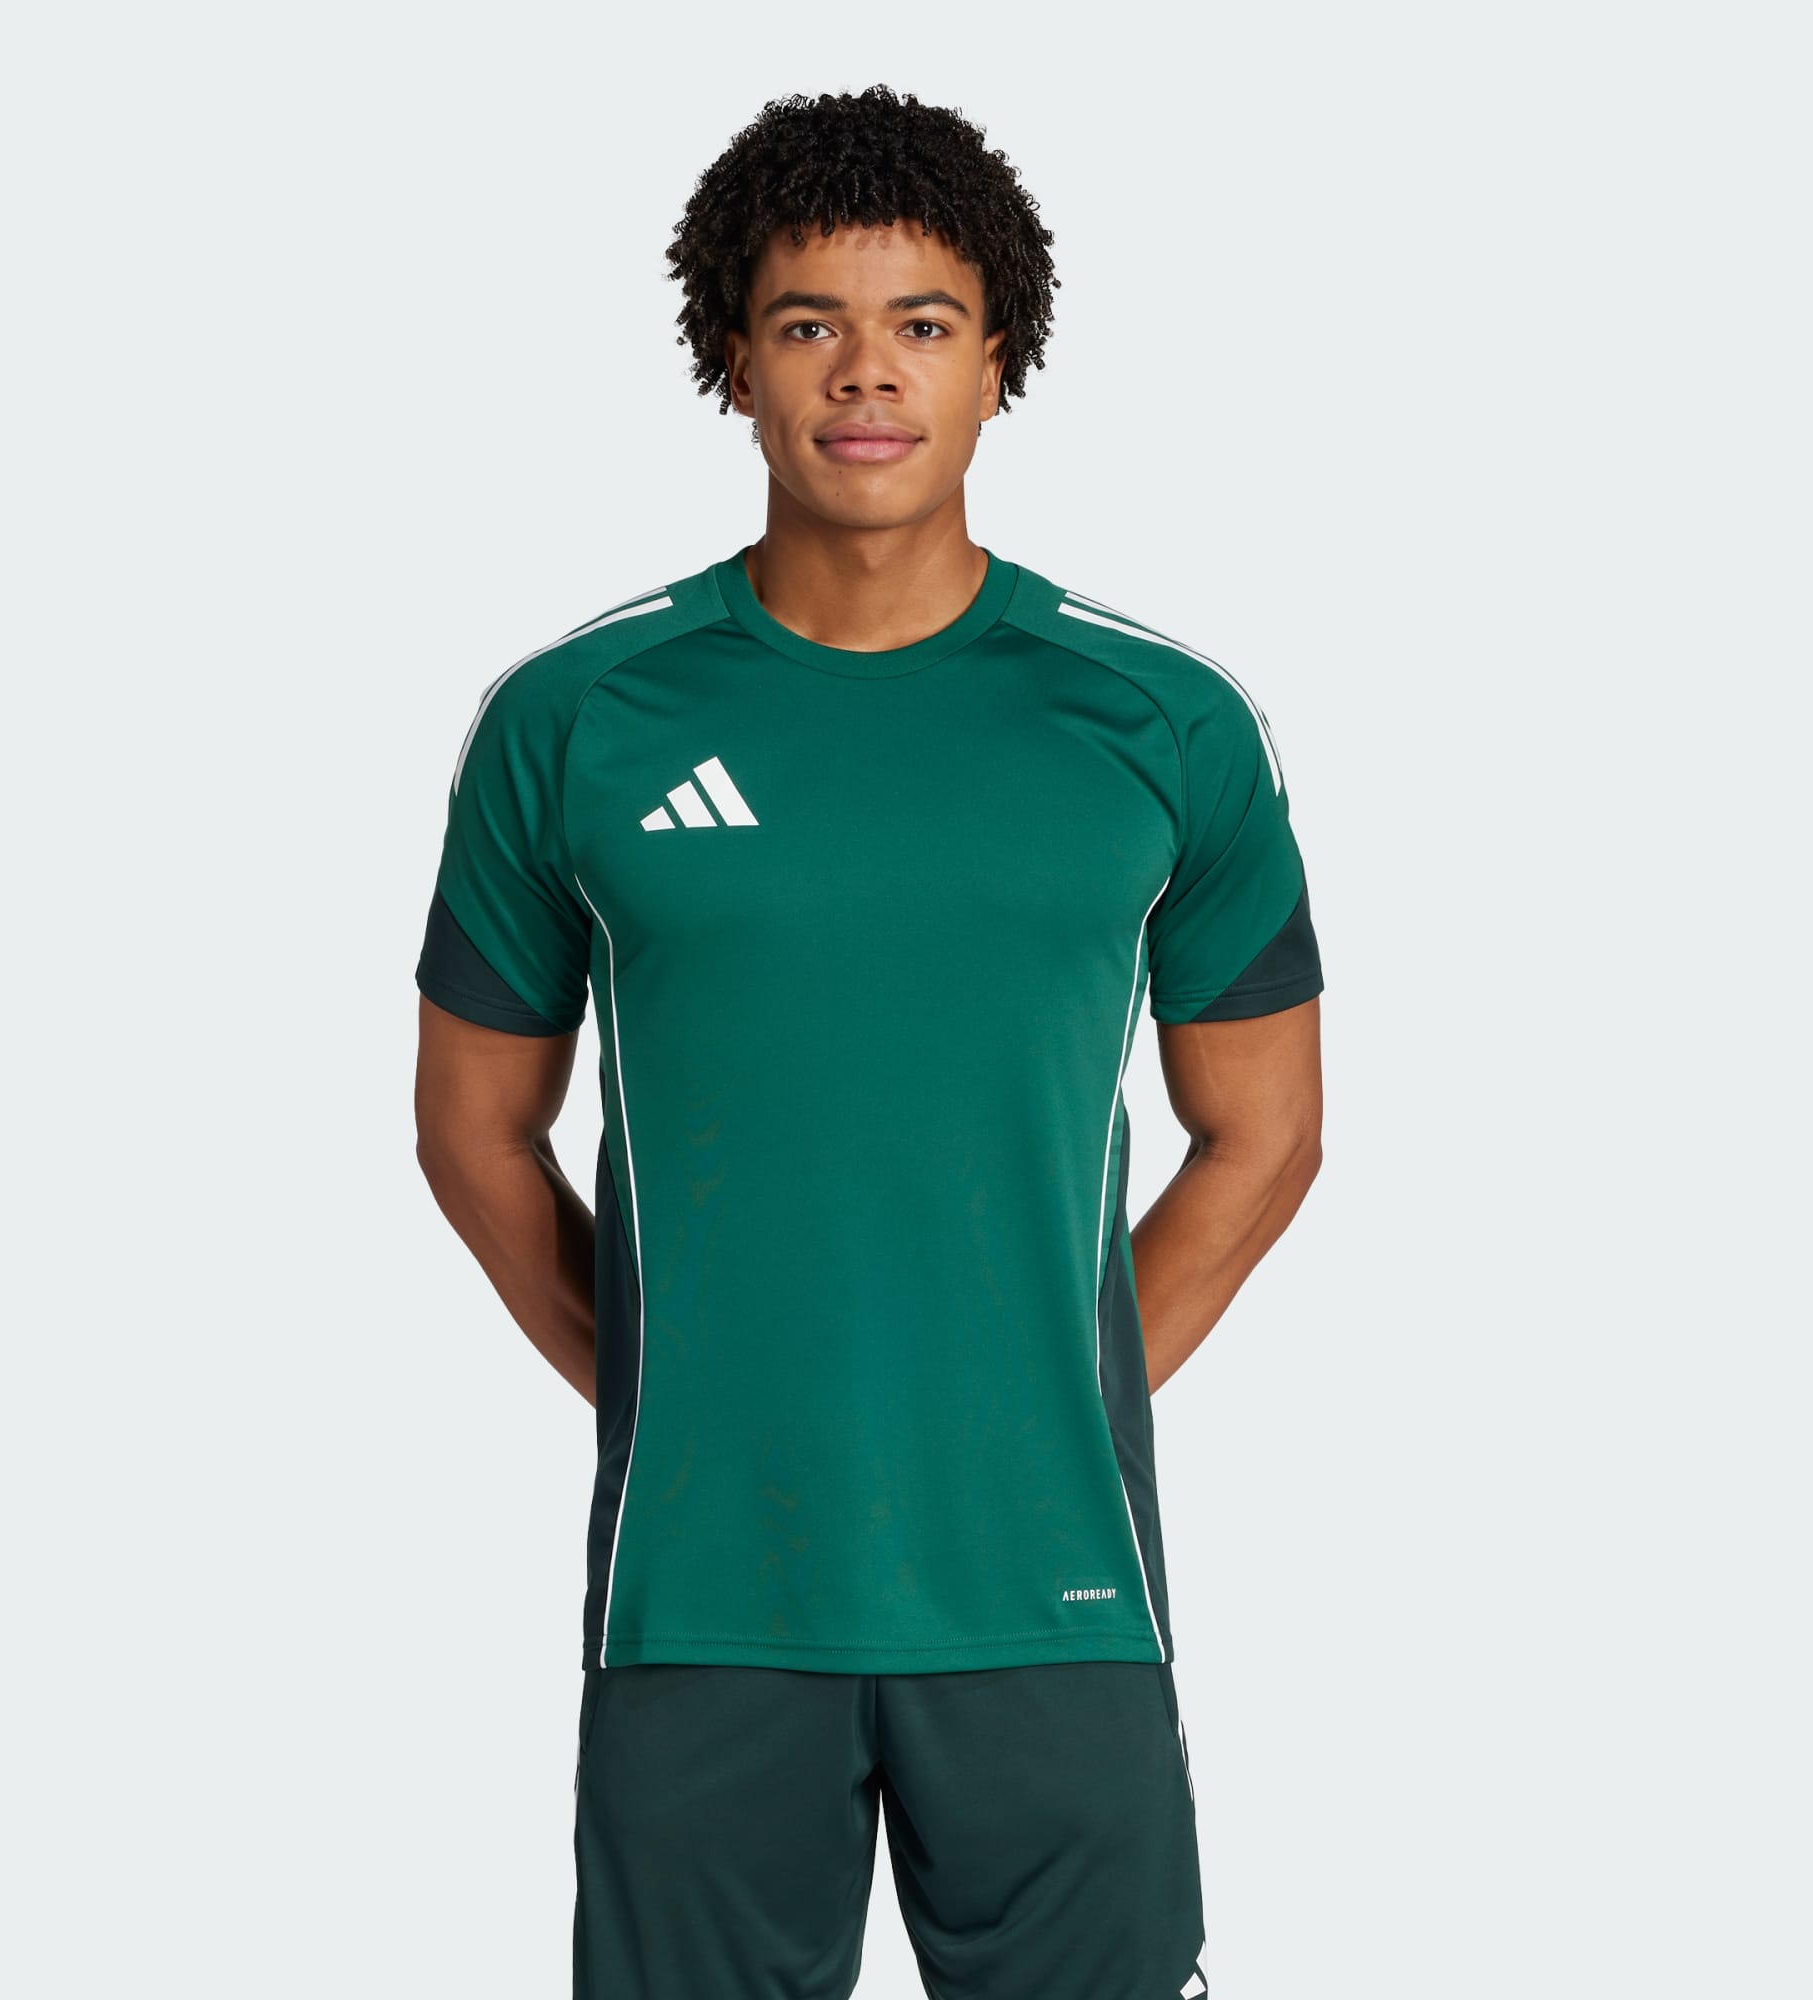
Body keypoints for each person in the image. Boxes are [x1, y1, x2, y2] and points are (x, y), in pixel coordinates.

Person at [414, 83, 1324, 2000]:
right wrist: (669, 1389)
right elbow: (474, 1130)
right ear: (733, 362)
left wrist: (1050, 1387)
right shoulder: (577, 719)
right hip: (702, 1597)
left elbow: (1265, 1133)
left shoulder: (1162, 723)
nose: (866, 372)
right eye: (807, 322)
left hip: (1057, 1594)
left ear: (999, 360)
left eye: (922, 322)